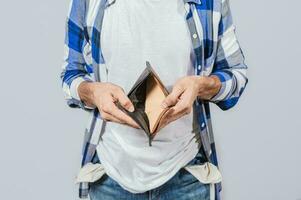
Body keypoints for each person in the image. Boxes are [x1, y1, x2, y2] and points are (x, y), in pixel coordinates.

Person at [60, 0, 248, 199]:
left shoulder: (211, 3)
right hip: (110, 174)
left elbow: (236, 75)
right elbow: (70, 74)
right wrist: (92, 93)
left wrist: (200, 86)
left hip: (187, 174)